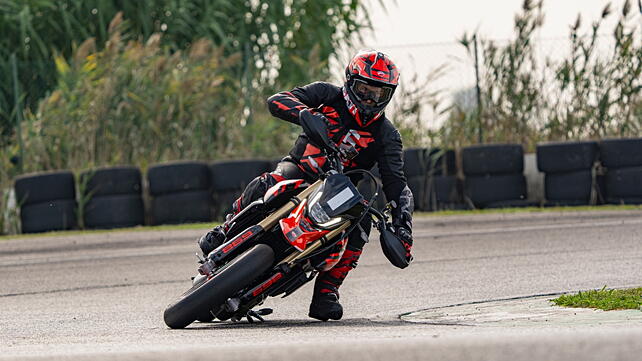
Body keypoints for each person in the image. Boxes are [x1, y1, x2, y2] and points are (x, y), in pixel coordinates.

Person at [199, 50, 414, 321]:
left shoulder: (387, 135)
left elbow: (396, 183)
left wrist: (403, 227)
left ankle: (327, 292)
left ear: (389, 95)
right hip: (301, 169)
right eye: (365, 89)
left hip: (340, 191)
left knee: (360, 227)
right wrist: (304, 114)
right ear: (350, 82)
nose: (371, 99)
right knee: (269, 182)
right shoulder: (326, 95)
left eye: (379, 94)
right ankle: (226, 229)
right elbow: (277, 99)